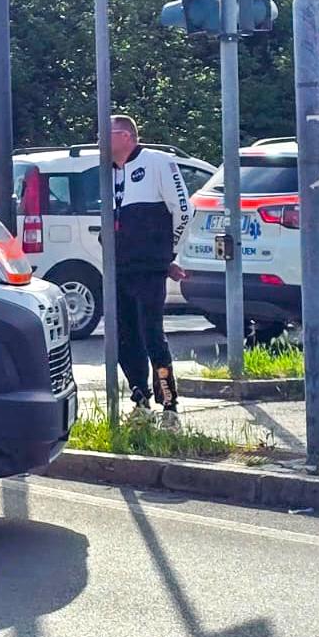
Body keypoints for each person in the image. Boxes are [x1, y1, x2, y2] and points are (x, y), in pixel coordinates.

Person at [109, 114, 191, 414]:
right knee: (123, 336)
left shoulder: (157, 162)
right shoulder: (107, 172)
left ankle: (168, 401)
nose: (100, 139)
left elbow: (183, 210)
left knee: (151, 333)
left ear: (127, 136)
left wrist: (169, 254)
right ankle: (139, 395)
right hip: (119, 267)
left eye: (107, 133)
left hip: (148, 268)